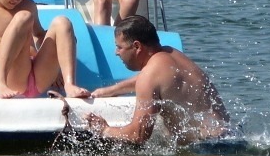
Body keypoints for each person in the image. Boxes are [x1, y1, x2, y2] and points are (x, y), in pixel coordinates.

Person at [85, 15, 230, 146]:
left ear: (137, 46)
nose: (116, 52)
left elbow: (138, 135)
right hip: (225, 139)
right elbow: (154, 80)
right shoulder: (171, 54)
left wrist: (104, 129)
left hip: (205, 151)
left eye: (119, 47)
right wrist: (111, 90)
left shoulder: (149, 76)